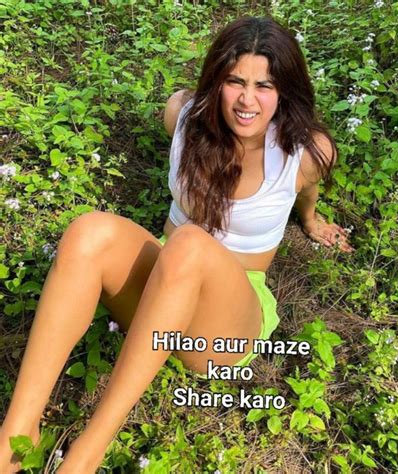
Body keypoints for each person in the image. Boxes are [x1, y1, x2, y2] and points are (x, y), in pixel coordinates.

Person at [0, 15, 354, 473]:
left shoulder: (305, 153)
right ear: (217, 81)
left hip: (223, 325)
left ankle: (86, 455)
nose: (247, 100)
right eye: (235, 81)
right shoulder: (184, 116)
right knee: (89, 231)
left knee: (188, 242)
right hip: (163, 286)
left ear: (284, 91)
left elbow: (306, 188)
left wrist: (309, 219)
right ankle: (16, 434)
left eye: (264, 86)